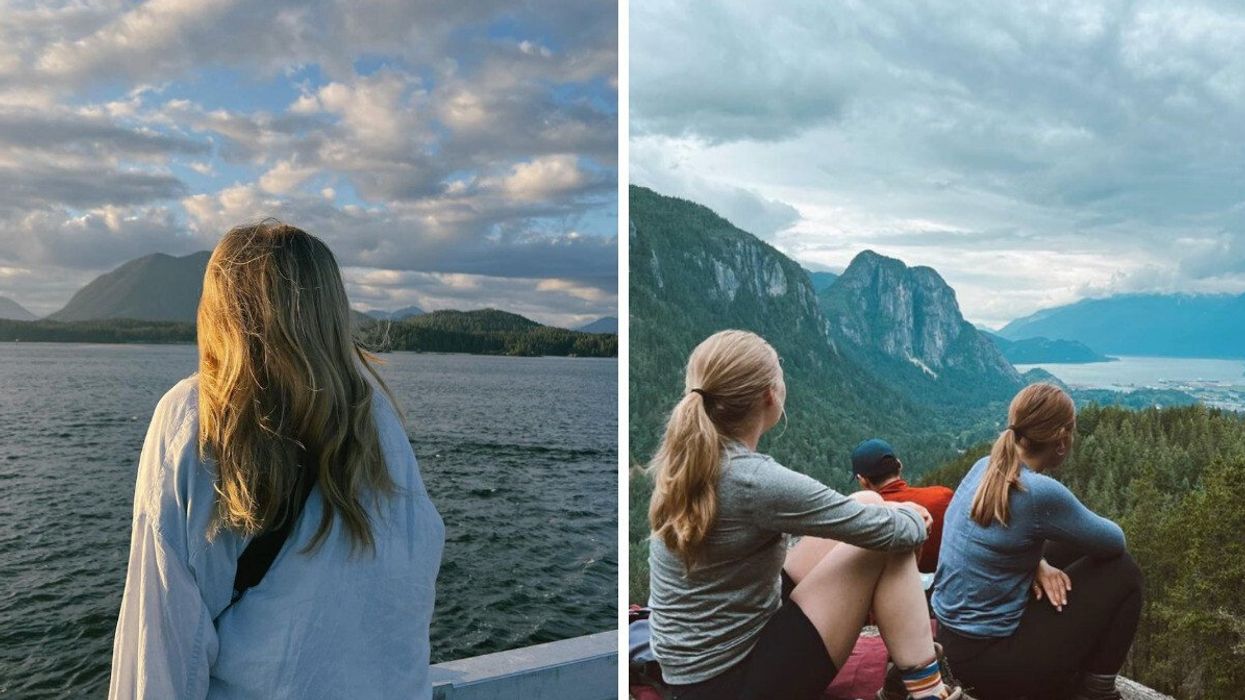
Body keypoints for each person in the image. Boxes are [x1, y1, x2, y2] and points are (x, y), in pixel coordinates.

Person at [109, 222, 445, 699]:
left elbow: (159, 655)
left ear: (220, 312)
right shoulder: (378, 421)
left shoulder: (196, 418)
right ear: (331, 313)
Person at [647, 330, 964, 700]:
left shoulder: (690, 457)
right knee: (884, 540)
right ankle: (929, 692)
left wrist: (890, 512)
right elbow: (895, 534)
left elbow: (862, 514)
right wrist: (911, 514)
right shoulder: (752, 479)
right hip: (732, 683)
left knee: (868, 501)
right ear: (771, 395)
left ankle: (907, 680)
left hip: (697, 672)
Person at [931, 383, 1142, 700]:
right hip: (990, 665)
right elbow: (1114, 542)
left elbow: (996, 541)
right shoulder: (1038, 493)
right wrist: (1039, 561)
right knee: (1124, 572)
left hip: (951, 641)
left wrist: (1038, 563)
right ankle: (1097, 691)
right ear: (1061, 439)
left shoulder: (985, 466)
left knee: (1069, 544)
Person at [852, 439, 954, 575]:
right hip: (947, 587)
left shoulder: (867, 518)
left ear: (863, 480)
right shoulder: (943, 496)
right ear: (899, 465)